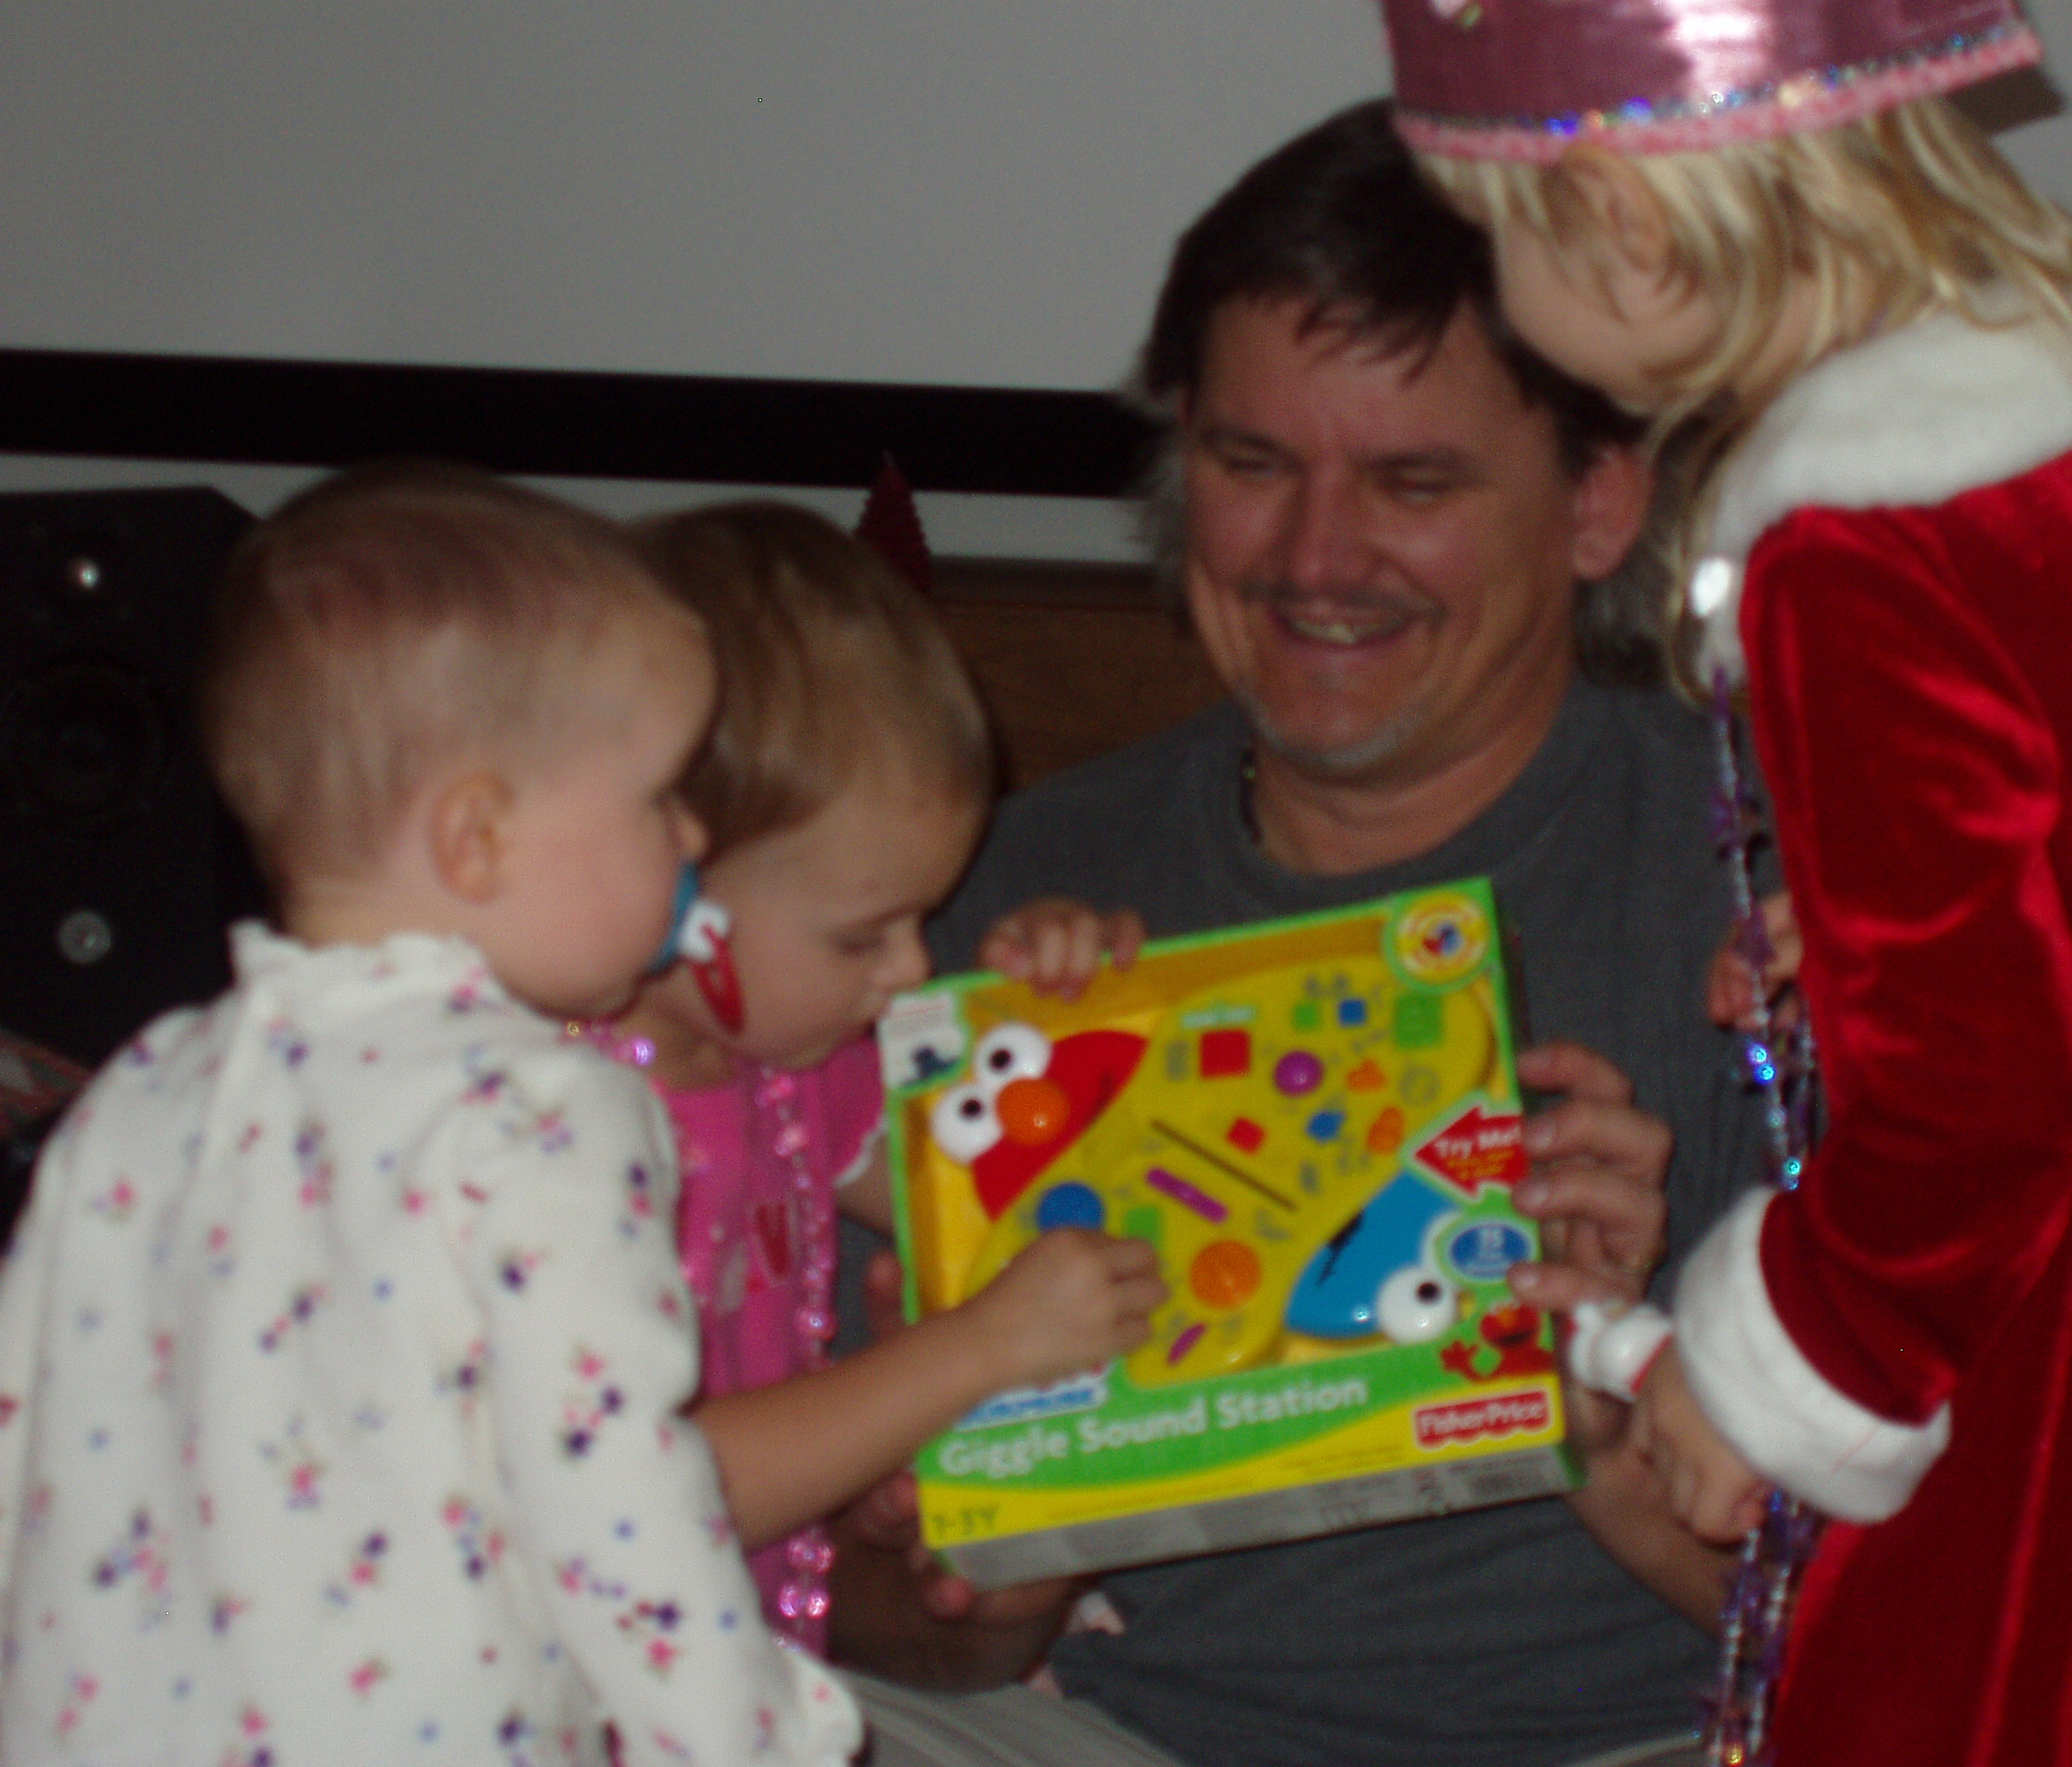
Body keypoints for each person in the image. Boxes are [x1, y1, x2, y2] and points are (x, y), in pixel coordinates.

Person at [1385, 1, 2072, 1761]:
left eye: (1493, 235)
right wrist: (1895, 929)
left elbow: (1993, 1088)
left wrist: (1782, 1377)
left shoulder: (1846, 561)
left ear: (1623, 215)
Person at [827, 102, 1769, 1767]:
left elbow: (1962, 1636)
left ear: (1598, 504)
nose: (1315, 560)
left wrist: (1622, 1441)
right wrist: (995, 1529)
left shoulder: (1775, 898)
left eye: (1414, 482)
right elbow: (874, 1623)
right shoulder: (994, 907)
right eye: (1253, 466)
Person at [0, 465, 862, 1764]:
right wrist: (753, 1733)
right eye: (658, 799)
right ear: (476, 838)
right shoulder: (542, 1112)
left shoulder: (144, 1085)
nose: (694, 838)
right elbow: (614, 1491)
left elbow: (27, 1434)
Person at [591, 501, 1164, 1652]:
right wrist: (972, 1351)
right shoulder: (547, 1133)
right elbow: (641, 1496)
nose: (912, 969)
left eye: (922, 919)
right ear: (658, 886)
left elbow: (1021, 1196)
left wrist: (1050, 1019)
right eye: (863, 937)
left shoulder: (792, 1075)